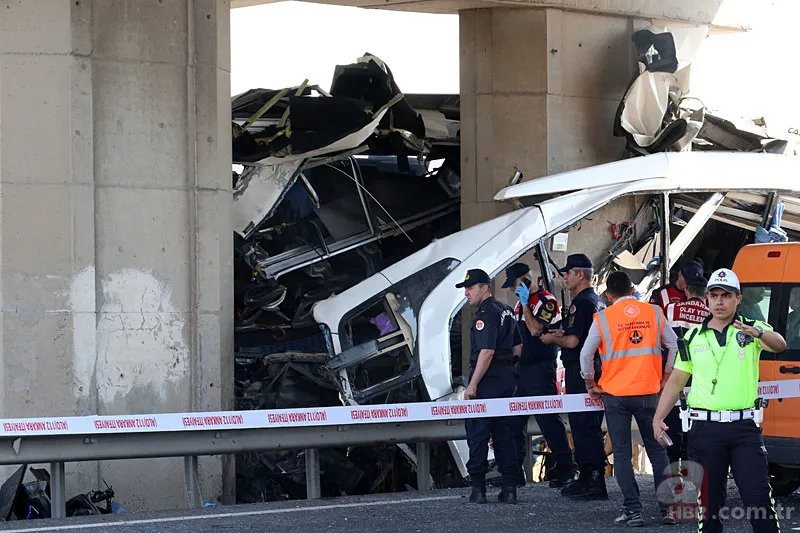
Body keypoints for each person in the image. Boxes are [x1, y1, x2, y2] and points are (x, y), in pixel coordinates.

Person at [653, 268, 787, 533]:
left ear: (738, 299)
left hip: (744, 429)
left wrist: (756, 333)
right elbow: (677, 380)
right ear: (707, 299)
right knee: (709, 508)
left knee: (759, 501)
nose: (719, 302)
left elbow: (780, 344)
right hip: (705, 430)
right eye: (714, 296)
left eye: (726, 296)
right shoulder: (692, 336)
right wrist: (658, 418)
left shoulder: (751, 328)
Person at [581, 271, 678, 526]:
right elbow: (674, 345)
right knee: (657, 451)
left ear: (608, 295)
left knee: (622, 454)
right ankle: (668, 510)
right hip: (649, 393)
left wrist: (590, 383)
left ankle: (633, 511)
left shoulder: (603, 318)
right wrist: (666, 377)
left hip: (615, 396)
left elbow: (585, 354)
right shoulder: (654, 312)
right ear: (633, 290)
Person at [541, 253, 608, 500]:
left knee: (583, 425)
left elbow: (572, 342)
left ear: (580, 275)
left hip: (582, 370)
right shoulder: (596, 301)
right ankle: (587, 477)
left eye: (568, 273)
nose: (565, 277)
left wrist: (552, 339)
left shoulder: (582, 303)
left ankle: (594, 480)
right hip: (593, 368)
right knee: (586, 425)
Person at [502, 262, 575, 488]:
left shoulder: (546, 301)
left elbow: (535, 330)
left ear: (525, 279)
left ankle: (566, 467)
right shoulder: (518, 304)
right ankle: (514, 472)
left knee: (548, 420)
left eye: (514, 283)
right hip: (521, 370)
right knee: (514, 421)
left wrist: (526, 304)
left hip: (541, 369)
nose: (512, 288)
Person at [456, 268, 524, 504]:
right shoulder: (506, 310)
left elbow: (487, 352)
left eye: (470, 288)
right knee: (504, 433)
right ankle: (510, 489)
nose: (466, 293)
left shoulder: (485, 313)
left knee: (478, 431)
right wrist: (511, 371)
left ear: (484, 288)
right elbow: (517, 346)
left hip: (488, 378)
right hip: (506, 378)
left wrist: (473, 384)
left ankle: (478, 490)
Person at [662, 279, 711, 473]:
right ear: (706, 295)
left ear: (687, 292)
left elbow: (664, 341)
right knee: (696, 420)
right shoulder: (711, 314)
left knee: (673, 420)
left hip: (677, 372)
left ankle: (674, 471)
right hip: (700, 374)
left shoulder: (671, 309)